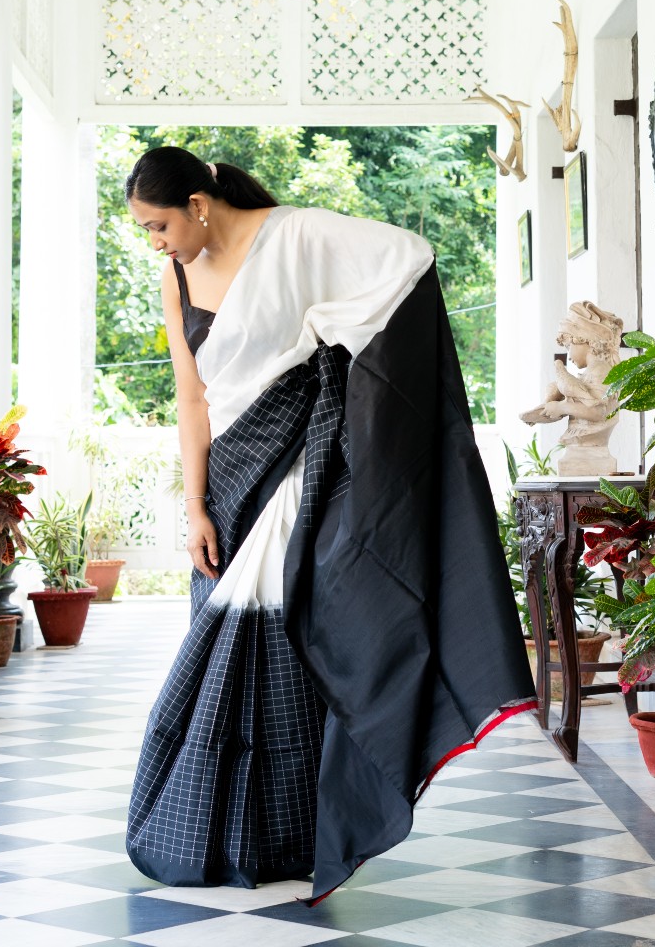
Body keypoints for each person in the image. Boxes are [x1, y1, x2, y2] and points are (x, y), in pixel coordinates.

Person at [124, 145, 536, 903]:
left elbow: (406, 258)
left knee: (278, 647)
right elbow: (192, 399)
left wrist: (343, 378)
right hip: (228, 481)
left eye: (158, 226)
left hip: (294, 473)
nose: (154, 241)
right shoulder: (175, 275)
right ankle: (232, 832)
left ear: (199, 206)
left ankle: (294, 835)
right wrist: (193, 507)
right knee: (229, 636)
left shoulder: (298, 237)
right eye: (146, 231)